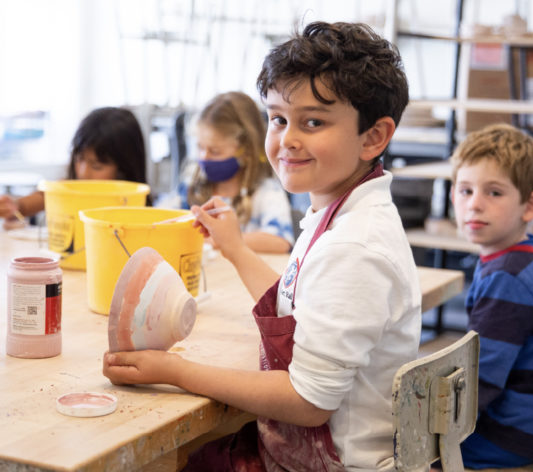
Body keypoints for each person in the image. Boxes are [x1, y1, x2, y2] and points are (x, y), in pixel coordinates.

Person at [102, 21, 422, 471]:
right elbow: (296, 310)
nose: (287, 139)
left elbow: (309, 401)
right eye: (278, 118)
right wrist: (234, 248)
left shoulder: (355, 246)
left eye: (313, 122)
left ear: (374, 136)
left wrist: (175, 372)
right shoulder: (337, 209)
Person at [450, 123, 533, 468]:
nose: (474, 205)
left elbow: (480, 382)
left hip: (508, 438)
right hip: (528, 428)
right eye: (465, 191)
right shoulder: (520, 258)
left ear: (531, 205)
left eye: (494, 193)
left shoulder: (509, 277)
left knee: (383, 445)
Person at [179, 91, 294, 253]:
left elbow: (281, 242)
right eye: (200, 148)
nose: (204, 158)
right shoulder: (191, 188)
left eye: (215, 151)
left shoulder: (266, 192)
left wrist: (221, 240)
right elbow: (161, 220)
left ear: (246, 151)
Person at [0, 107, 150, 228]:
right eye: (79, 159)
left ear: (125, 169)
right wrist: (15, 206)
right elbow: (40, 198)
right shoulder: (67, 190)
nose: (84, 172)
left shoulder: (135, 206)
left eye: (97, 166)